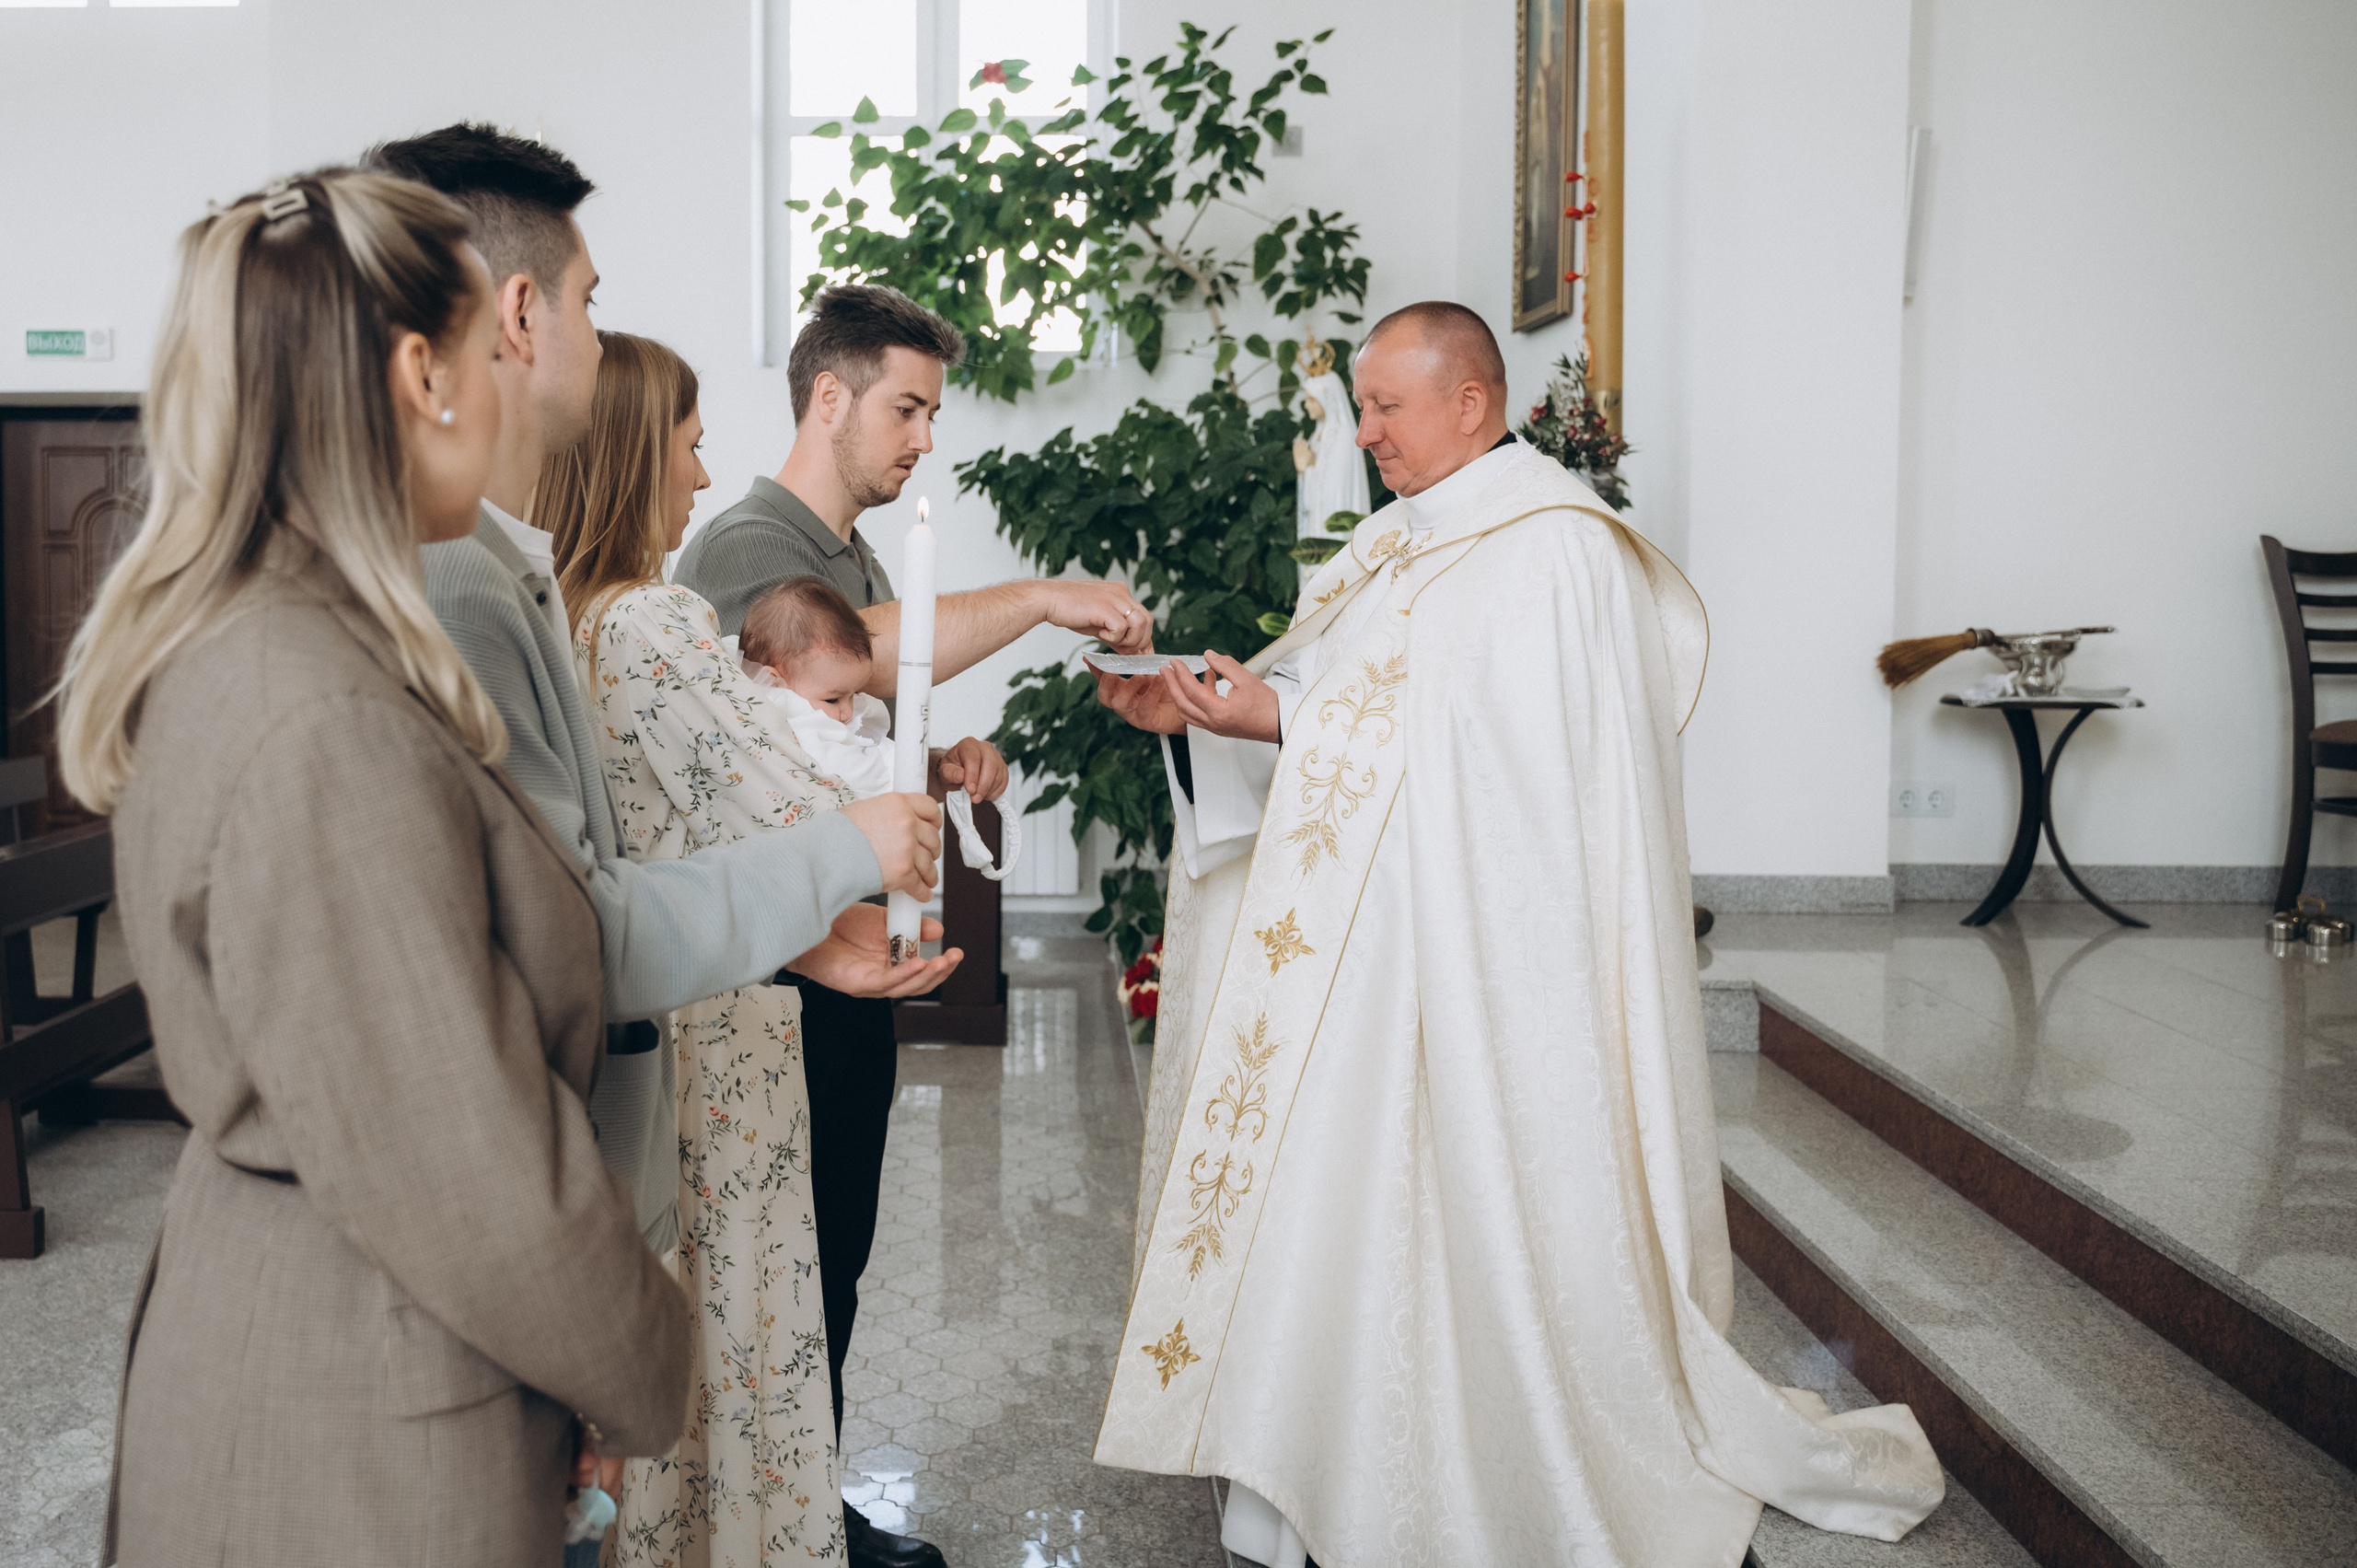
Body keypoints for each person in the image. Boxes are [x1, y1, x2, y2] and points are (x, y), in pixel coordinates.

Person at [1092, 302, 1945, 1567]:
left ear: (1472, 404)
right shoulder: (1395, 542)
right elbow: (1342, 713)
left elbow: (1522, 782)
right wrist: (1212, 716)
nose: (1363, 431)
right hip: (1369, 964)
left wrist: (1290, 725)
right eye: (1364, 406)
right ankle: (1314, 1463)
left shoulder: (1555, 552)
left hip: (1486, 967)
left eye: (1386, 405)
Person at [62, 168, 690, 1568]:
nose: (511, 374)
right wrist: (642, 1358)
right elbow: (472, 1170)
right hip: (362, 1400)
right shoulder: (320, 711)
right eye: (488, 346)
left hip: (371, 1326)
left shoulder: (315, 638)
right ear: (423, 372)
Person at [364, 127, 950, 1281]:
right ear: (523, 314)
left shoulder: (501, 564)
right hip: (523, 1183)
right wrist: (848, 840)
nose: (599, 329)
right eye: (590, 300)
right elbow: (569, 930)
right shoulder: (468, 581)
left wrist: (820, 944)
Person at [672, 282, 1144, 1568]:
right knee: (786, 1260)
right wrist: (1043, 597)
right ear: (828, 397)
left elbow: (830, 729)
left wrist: (935, 763)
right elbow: (856, 662)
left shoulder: (859, 557)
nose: (923, 437)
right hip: (769, 966)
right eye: (906, 407)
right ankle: (774, 1518)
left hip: (845, 953)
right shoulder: (744, 547)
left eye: (930, 412)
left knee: (841, 1249)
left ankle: (808, 1503)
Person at [540, 330, 993, 1567]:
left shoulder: (562, 618)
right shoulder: (651, 624)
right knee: (734, 1322)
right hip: (715, 1016)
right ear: (635, 457)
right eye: (685, 445)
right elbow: (787, 802)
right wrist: (898, 793)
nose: (698, 477)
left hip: (671, 988)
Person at [734, 577, 900, 799]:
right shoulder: (796, 726)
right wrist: (900, 765)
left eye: (854, 695)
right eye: (833, 700)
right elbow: (862, 777)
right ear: (774, 683)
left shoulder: (814, 697)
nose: (848, 712)